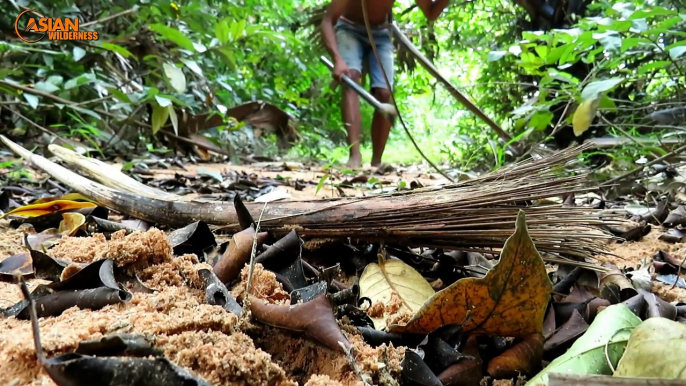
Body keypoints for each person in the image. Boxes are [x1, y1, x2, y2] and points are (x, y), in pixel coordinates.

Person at [321, 0, 449, 167]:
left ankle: (376, 162)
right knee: (350, 79)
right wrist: (337, 59)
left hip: (382, 33)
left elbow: (431, 13)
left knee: (384, 93)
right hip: (348, 29)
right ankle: (355, 157)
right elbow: (327, 20)